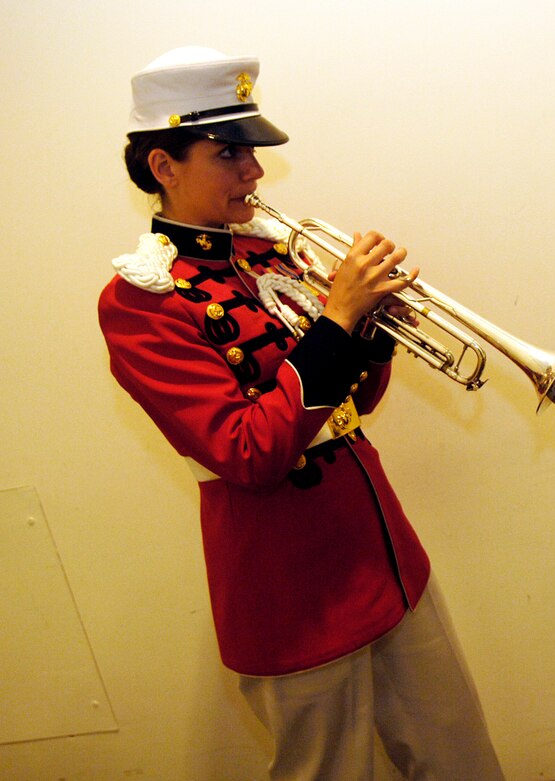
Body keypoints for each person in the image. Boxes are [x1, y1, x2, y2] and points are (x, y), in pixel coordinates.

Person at [99, 46, 505, 781]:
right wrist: (337, 320)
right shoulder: (140, 301)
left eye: (251, 151)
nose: (254, 171)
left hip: (384, 550)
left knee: (461, 758)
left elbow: (350, 406)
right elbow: (249, 453)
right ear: (164, 166)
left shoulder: (270, 258)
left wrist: (371, 327)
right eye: (229, 153)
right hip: (287, 585)